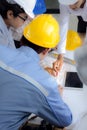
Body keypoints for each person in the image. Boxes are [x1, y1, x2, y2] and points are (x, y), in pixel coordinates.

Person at [0, 14, 72, 130]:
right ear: (47, 50)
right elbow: (65, 119)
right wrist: (57, 95)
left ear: (23, 38)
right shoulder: (46, 84)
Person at [52, 0, 87, 76]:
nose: (71, 7)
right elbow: (63, 24)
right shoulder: (64, 3)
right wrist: (60, 55)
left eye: (74, 3)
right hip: (83, 17)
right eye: (68, 4)